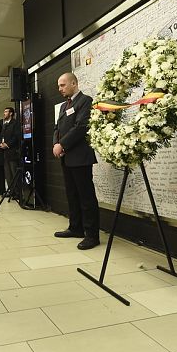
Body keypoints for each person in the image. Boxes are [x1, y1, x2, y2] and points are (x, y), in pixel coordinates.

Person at [52, 72, 100, 250]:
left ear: (73, 83)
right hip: (66, 158)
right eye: (59, 85)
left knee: (86, 197)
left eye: (63, 85)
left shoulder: (85, 101)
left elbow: (81, 127)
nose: (60, 88)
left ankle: (92, 235)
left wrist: (62, 145)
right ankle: (76, 228)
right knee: (72, 195)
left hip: (80, 157)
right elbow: (57, 128)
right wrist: (55, 143)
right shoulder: (65, 105)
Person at [0, 106, 20, 197]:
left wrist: (7, 144)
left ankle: (17, 192)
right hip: (5, 153)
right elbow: (2, 136)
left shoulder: (15, 123)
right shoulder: (4, 124)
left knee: (14, 172)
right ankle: (11, 191)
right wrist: (1, 143)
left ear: (11, 113)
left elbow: (16, 137)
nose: (4, 113)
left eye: (6, 111)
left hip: (13, 152)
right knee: (7, 174)